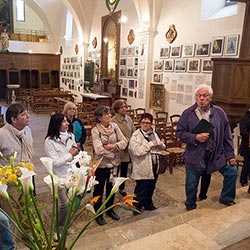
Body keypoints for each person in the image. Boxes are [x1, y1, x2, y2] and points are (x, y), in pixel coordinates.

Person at [176, 84, 237, 211]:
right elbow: (179, 133)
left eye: (205, 96)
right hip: (195, 154)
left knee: (232, 171)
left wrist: (230, 155)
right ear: (196, 97)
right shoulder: (188, 113)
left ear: (210, 97)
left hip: (216, 154)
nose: (202, 98)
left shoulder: (219, 112)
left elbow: (227, 135)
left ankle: (226, 198)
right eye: (199, 96)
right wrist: (195, 137)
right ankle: (190, 205)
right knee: (192, 184)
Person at [44, 113, 79, 239]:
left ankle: (67, 225)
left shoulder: (71, 136)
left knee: (72, 203)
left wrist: (78, 156)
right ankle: (57, 229)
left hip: (72, 174)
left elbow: (75, 153)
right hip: (59, 177)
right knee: (63, 204)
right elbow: (55, 163)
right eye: (64, 121)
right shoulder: (49, 141)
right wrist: (70, 154)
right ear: (57, 124)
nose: (68, 123)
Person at [91, 106, 128, 226]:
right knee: (99, 189)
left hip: (114, 164)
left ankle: (109, 209)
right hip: (101, 165)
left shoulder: (115, 127)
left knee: (112, 188)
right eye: (106, 113)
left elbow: (124, 141)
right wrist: (113, 155)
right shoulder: (95, 131)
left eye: (109, 113)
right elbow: (98, 150)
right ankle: (97, 212)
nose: (109, 115)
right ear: (100, 117)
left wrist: (113, 146)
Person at [129, 113, 166, 214]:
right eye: (143, 122)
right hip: (143, 166)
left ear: (151, 124)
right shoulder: (136, 136)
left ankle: (148, 203)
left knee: (151, 187)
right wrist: (150, 144)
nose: (145, 125)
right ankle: (137, 207)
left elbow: (163, 146)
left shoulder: (153, 133)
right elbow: (137, 151)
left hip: (154, 165)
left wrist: (160, 145)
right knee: (141, 189)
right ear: (140, 123)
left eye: (148, 123)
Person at [112, 100, 135, 197]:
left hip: (127, 148)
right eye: (122, 107)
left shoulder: (128, 119)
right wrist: (122, 143)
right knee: (115, 169)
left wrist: (131, 141)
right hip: (118, 149)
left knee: (124, 169)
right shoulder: (113, 121)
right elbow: (113, 136)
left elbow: (133, 131)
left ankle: (121, 187)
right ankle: (113, 186)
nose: (124, 109)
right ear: (117, 109)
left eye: (125, 106)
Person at [239, 106, 250, 190]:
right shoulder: (244, 119)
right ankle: (243, 180)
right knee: (247, 163)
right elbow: (243, 133)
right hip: (247, 146)